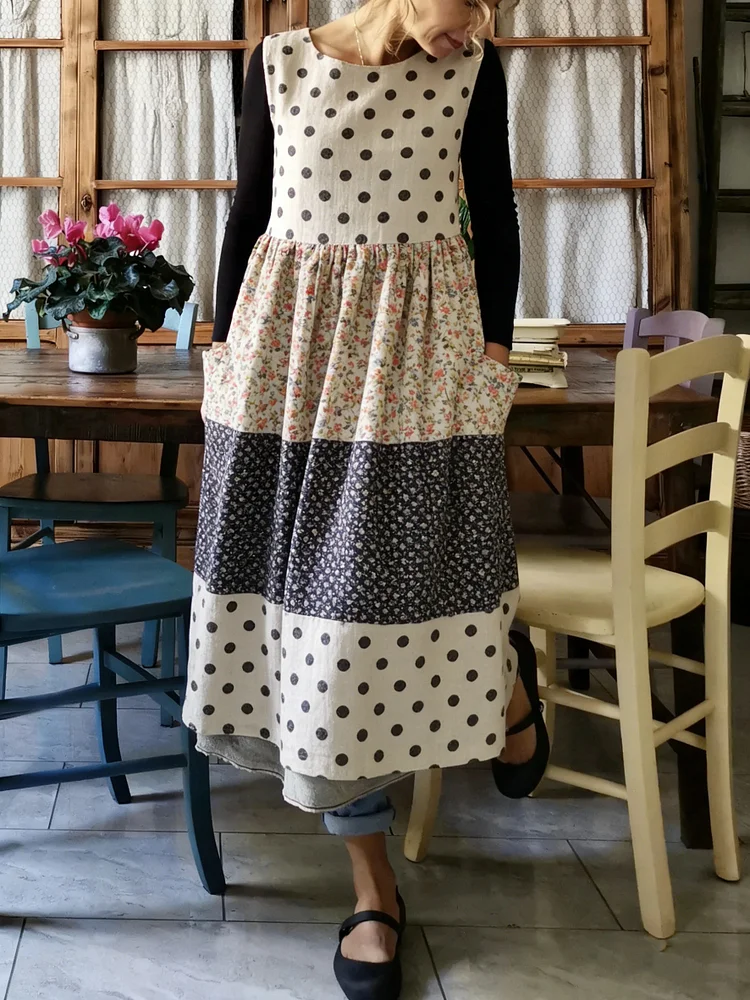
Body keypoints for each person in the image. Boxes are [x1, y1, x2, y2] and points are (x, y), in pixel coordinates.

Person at [184, 1, 549, 997]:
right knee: (316, 632)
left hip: (416, 362)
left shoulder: (472, 68)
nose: (472, 20)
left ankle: (505, 682)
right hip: (287, 368)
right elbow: (249, 210)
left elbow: (495, 210)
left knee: (395, 597)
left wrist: (496, 358)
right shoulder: (276, 63)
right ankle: (371, 886)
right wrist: (223, 354)